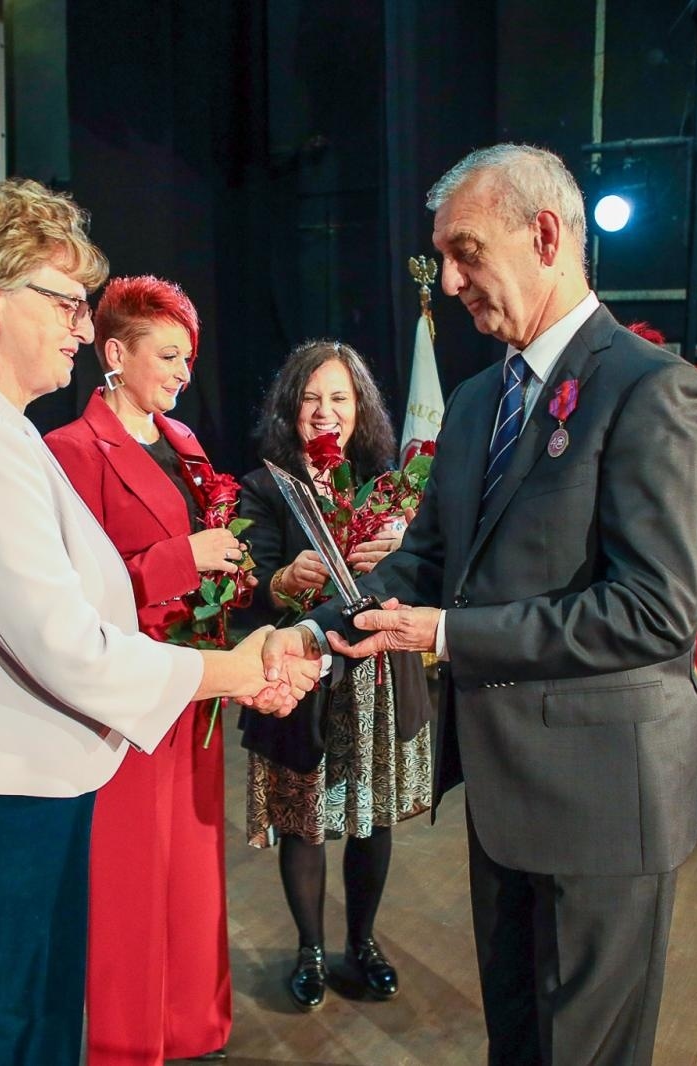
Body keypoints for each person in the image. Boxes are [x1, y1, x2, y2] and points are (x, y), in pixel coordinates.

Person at [268, 145, 697, 1065]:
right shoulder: (481, 400)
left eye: (466, 252)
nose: (448, 281)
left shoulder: (650, 389)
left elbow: (654, 612)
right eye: (443, 257)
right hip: (504, 795)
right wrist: (313, 635)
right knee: (517, 1042)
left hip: (607, 799)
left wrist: (447, 635)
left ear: (547, 236)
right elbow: (430, 564)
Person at [0, 179, 314, 1066]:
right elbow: (67, 647)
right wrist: (231, 672)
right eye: (66, 304)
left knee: (23, 1030)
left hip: (15, 788)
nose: (84, 330)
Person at [44, 275, 236, 1064]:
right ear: (113, 353)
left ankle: (195, 1026)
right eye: (168, 355)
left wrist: (234, 574)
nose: (182, 372)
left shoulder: (185, 442)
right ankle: (129, 1042)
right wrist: (179, 559)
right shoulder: (70, 451)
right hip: (126, 695)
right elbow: (72, 593)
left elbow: (209, 548)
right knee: (130, 878)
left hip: (196, 687)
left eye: (187, 358)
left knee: (193, 870)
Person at [236, 340, 434, 1012]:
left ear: (360, 410)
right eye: (312, 398)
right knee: (304, 821)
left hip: (376, 673)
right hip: (301, 680)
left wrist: (403, 545)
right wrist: (279, 580)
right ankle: (310, 951)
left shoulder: (388, 484)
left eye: (340, 398)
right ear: (292, 410)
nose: (326, 412)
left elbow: (421, 574)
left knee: (371, 820)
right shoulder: (265, 487)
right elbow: (248, 586)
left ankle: (364, 942)